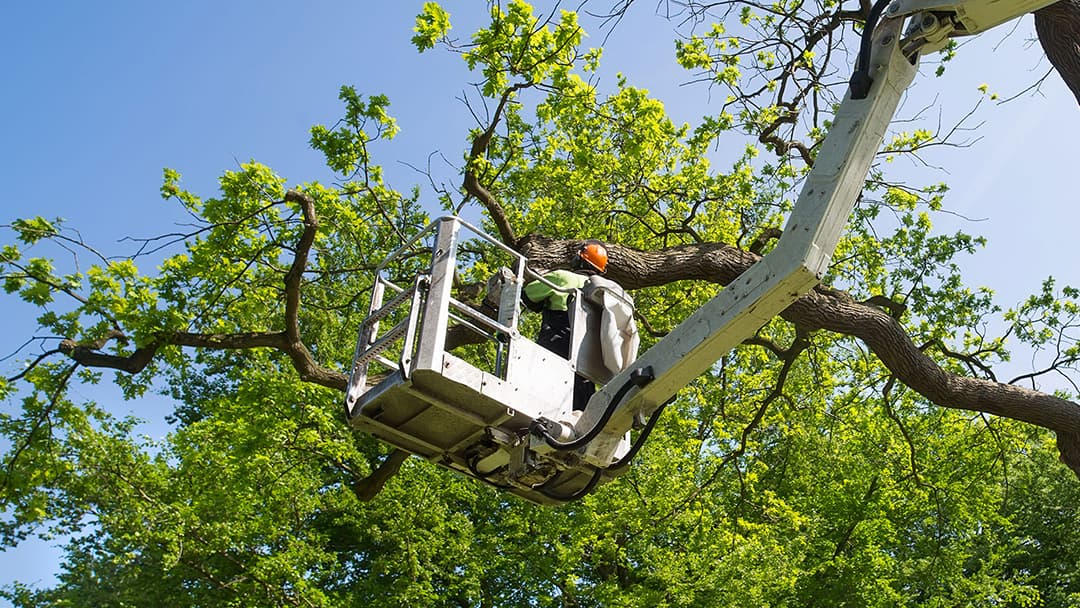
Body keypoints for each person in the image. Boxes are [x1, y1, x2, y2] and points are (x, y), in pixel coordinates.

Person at [522, 241, 610, 411]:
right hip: (586, 369)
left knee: (538, 410)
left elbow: (528, 296)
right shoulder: (605, 294)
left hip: (554, 353)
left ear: (579, 259)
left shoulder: (563, 277)